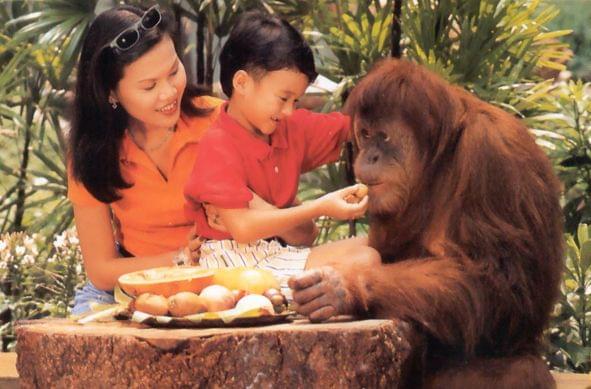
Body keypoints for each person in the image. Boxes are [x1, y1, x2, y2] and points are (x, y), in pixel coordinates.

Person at [184, 11, 369, 297]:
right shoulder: (217, 144)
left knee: (373, 247)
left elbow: (352, 126)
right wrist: (320, 207)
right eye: (283, 98)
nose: (289, 111)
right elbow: (243, 228)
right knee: (366, 261)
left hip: (273, 254)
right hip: (233, 264)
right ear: (242, 83)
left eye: (295, 100)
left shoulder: (289, 127)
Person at [67, 4, 223, 315]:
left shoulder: (221, 121)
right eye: (149, 86)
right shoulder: (92, 153)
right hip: (132, 286)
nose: (169, 93)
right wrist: (178, 259)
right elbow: (100, 270)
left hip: (219, 279)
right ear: (111, 92)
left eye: (174, 71)